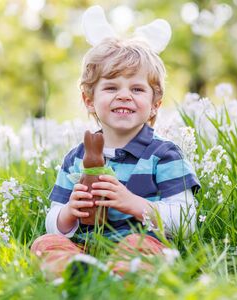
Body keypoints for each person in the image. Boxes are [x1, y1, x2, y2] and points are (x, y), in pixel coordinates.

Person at [31, 10, 200, 279]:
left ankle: (122, 277)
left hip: (142, 242)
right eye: (111, 88)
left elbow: (186, 221)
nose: (124, 96)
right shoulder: (76, 158)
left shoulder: (165, 155)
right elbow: (53, 222)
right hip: (85, 247)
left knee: (138, 246)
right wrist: (68, 213)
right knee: (44, 243)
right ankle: (78, 274)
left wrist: (131, 202)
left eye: (136, 89)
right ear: (89, 100)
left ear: (155, 104)